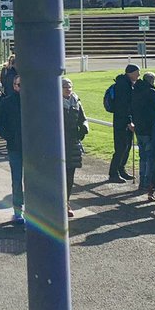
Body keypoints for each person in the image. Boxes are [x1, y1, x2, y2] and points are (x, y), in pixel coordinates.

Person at [0, 74, 24, 225]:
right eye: (19, 85)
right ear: (14, 86)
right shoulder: (6, 102)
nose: (21, 88)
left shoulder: (34, 101)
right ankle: (18, 211)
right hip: (15, 148)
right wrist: (9, 137)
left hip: (33, 148)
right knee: (17, 180)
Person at [107, 64, 140, 183]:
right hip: (121, 121)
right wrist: (128, 122)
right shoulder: (123, 86)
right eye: (137, 72)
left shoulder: (127, 84)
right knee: (121, 147)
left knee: (126, 146)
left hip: (124, 120)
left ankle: (121, 169)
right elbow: (123, 107)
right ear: (130, 73)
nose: (138, 75)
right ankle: (113, 173)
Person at [61, 77, 88, 218]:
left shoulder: (76, 101)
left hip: (72, 142)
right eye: (65, 87)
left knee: (70, 176)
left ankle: (66, 203)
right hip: (58, 143)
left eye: (70, 86)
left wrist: (84, 127)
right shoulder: (54, 102)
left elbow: (83, 118)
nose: (68, 89)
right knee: (59, 176)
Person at [132, 71, 155, 191]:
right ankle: (149, 183)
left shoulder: (136, 90)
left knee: (143, 157)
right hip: (149, 129)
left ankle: (142, 182)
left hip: (139, 128)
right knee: (150, 158)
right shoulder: (151, 92)